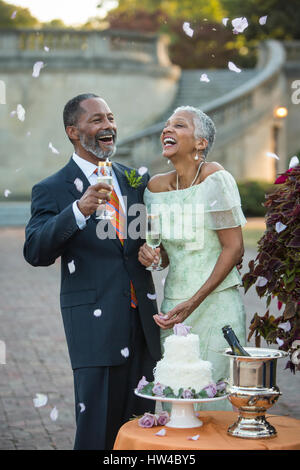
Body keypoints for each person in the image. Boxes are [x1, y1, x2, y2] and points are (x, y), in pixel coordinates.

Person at [23, 93, 161, 449]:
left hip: (143, 323)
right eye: (97, 120)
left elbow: (141, 240)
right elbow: (35, 251)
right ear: (73, 131)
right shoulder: (52, 189)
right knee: (97, 429)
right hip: (93, 325)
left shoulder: (132, 180)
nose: (108, 127)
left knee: (142, 428)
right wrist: (78, 210)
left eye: (111, 118)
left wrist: (154, 252)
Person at [138, 105, 247, 411]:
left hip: (216, 304)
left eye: (179, 125)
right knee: (178, 400)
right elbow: (164, 255)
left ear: (201, 143)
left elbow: (234, 248)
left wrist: (195, 300)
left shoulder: (216, 180)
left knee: (216, 401)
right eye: (166, 124)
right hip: (174, 308)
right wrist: (152, 256)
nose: (167, 130)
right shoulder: (154, 188)